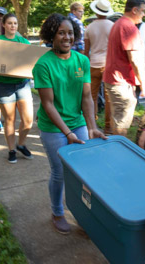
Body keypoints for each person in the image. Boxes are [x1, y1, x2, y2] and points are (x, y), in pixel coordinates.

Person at [33, 13, 107, 234]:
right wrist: (67, 133)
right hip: (53, 127)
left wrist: (92, 126)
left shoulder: (82, 61)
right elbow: (48, 104)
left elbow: (86, 98)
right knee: (60, 172)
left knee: (82, 173)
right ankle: (57, 212)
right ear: (52, 36)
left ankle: (82, 214)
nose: (67, 37)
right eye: (61, 33)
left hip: (77, 123)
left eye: (70, 33)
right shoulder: (43, 64)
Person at [0, 13, 34, 164]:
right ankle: (11, 150)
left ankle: (21, 144)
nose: (13, 26)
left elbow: (32, 61)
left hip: (22, 84)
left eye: (15, 23)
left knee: (28, 121)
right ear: (4, 25)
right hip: (3, 85)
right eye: (9, 23)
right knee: (10, 120)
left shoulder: (23, 41)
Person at [103, 0, 145, 136]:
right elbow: (135, 59)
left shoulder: (119, 23)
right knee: (121, 122)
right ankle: (117, 153)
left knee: (116, 118)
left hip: (114, 79)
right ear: (134, 10)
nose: (144, 14)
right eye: (142, 10)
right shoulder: (129, 27)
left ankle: (113, 147)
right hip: (121, 82)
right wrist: (144, 83)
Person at [84, 0, 114, 134]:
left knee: (92, 96)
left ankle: (93, 124)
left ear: (96, 12)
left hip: (94, 64)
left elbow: (86, 51)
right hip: (108, 65)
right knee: (109, 98)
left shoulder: (89, 27)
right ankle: (108, 127)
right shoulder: (112, 26)